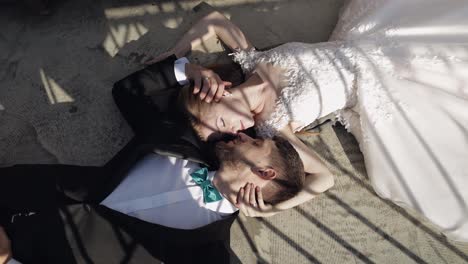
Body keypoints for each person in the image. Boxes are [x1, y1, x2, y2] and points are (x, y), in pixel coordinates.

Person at [175, 3, 468, 241]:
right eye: (227, 134)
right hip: (377, 83)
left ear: (221, 91)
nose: (237, 131)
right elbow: (324, 178)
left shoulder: (252, 61)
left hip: (366, 44)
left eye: (224, 122)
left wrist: (179, 61)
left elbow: (213, 18)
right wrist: (269, 211)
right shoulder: (271, 125)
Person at [0, 54, 305, 263]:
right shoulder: (182, 140)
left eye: (255, 140)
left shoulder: (211, 248)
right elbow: (128, 93)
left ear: (265, 173)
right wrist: (188, 70)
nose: (243, 134)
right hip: (21, 189)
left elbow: (323, 179)